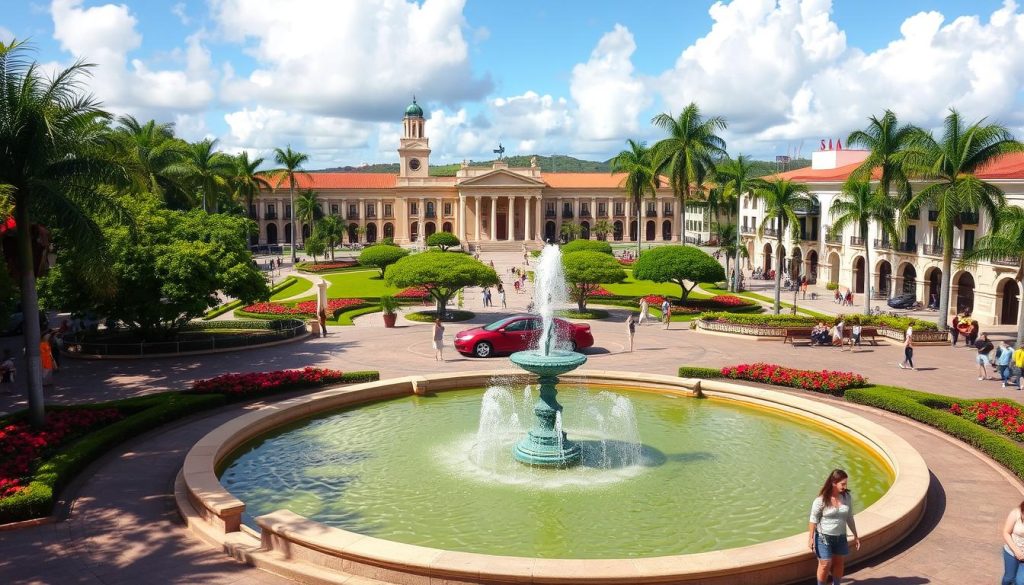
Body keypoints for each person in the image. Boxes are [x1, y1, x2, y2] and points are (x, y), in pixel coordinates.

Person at [808, 469, 861, 585]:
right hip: (823, 538)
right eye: (842, 484)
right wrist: (811, 538)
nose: (845, 486)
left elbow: (849, 517)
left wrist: (856, 535)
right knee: (825, 564)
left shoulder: (846, 497)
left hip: (840, 537)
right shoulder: (821, 500)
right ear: (833, 483)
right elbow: (813, 519)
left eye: (846, 483)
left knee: (839, 564)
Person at [1003, 501, 1024, 585]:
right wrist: (1016, 551)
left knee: (1021, 582)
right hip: (1011, 552)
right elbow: (1006, 532)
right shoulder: (1016, 513)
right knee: (1009, 578)